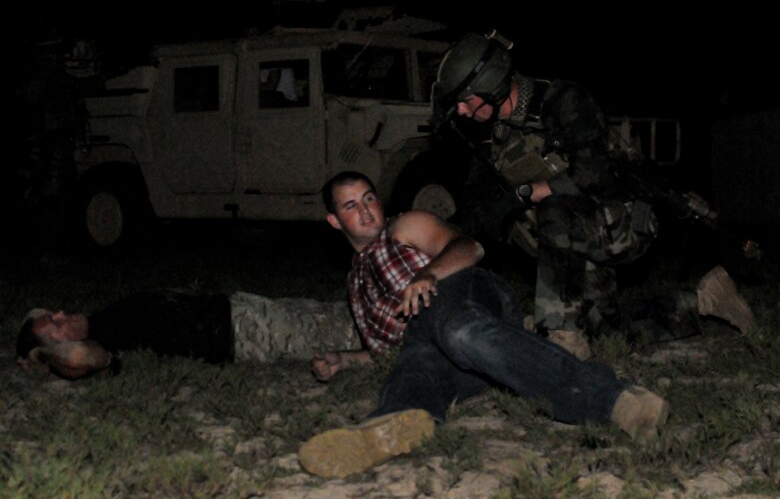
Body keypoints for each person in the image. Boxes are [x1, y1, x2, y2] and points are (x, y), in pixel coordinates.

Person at [296, 170, 670, 479]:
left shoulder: (404, 227)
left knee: (458, 330)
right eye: (350, 205)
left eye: (369, 198)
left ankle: (616, 400)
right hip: (430, 346)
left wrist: (428, 274)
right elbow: (387, 347)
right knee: (414, 365)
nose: (365, 210)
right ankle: (392, 423)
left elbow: (469, 247)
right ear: (334, 220)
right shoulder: (355, 282)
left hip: (465, 297)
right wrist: (345, 360)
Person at [430, 31, 755, 360]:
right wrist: (434, 240)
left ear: (491, 85)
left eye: (466, 99)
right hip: (574, 242)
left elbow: (593, 174)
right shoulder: (494, 140)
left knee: (550, 203)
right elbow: (474, 210)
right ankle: (708, 298)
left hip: (622, 221)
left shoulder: (562, 101)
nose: (461, 110)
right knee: (607, 331)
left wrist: (523, 194)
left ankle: (559, 329)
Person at [16, 290, 361, 380]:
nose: (61, 314)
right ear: (62, 344)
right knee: (347, 329)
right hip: (245, 334)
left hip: (239, 308)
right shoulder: (100, 345)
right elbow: (79, 360)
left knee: (336, 312)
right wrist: (43, 355)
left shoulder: (101, 319)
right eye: (55, 323)